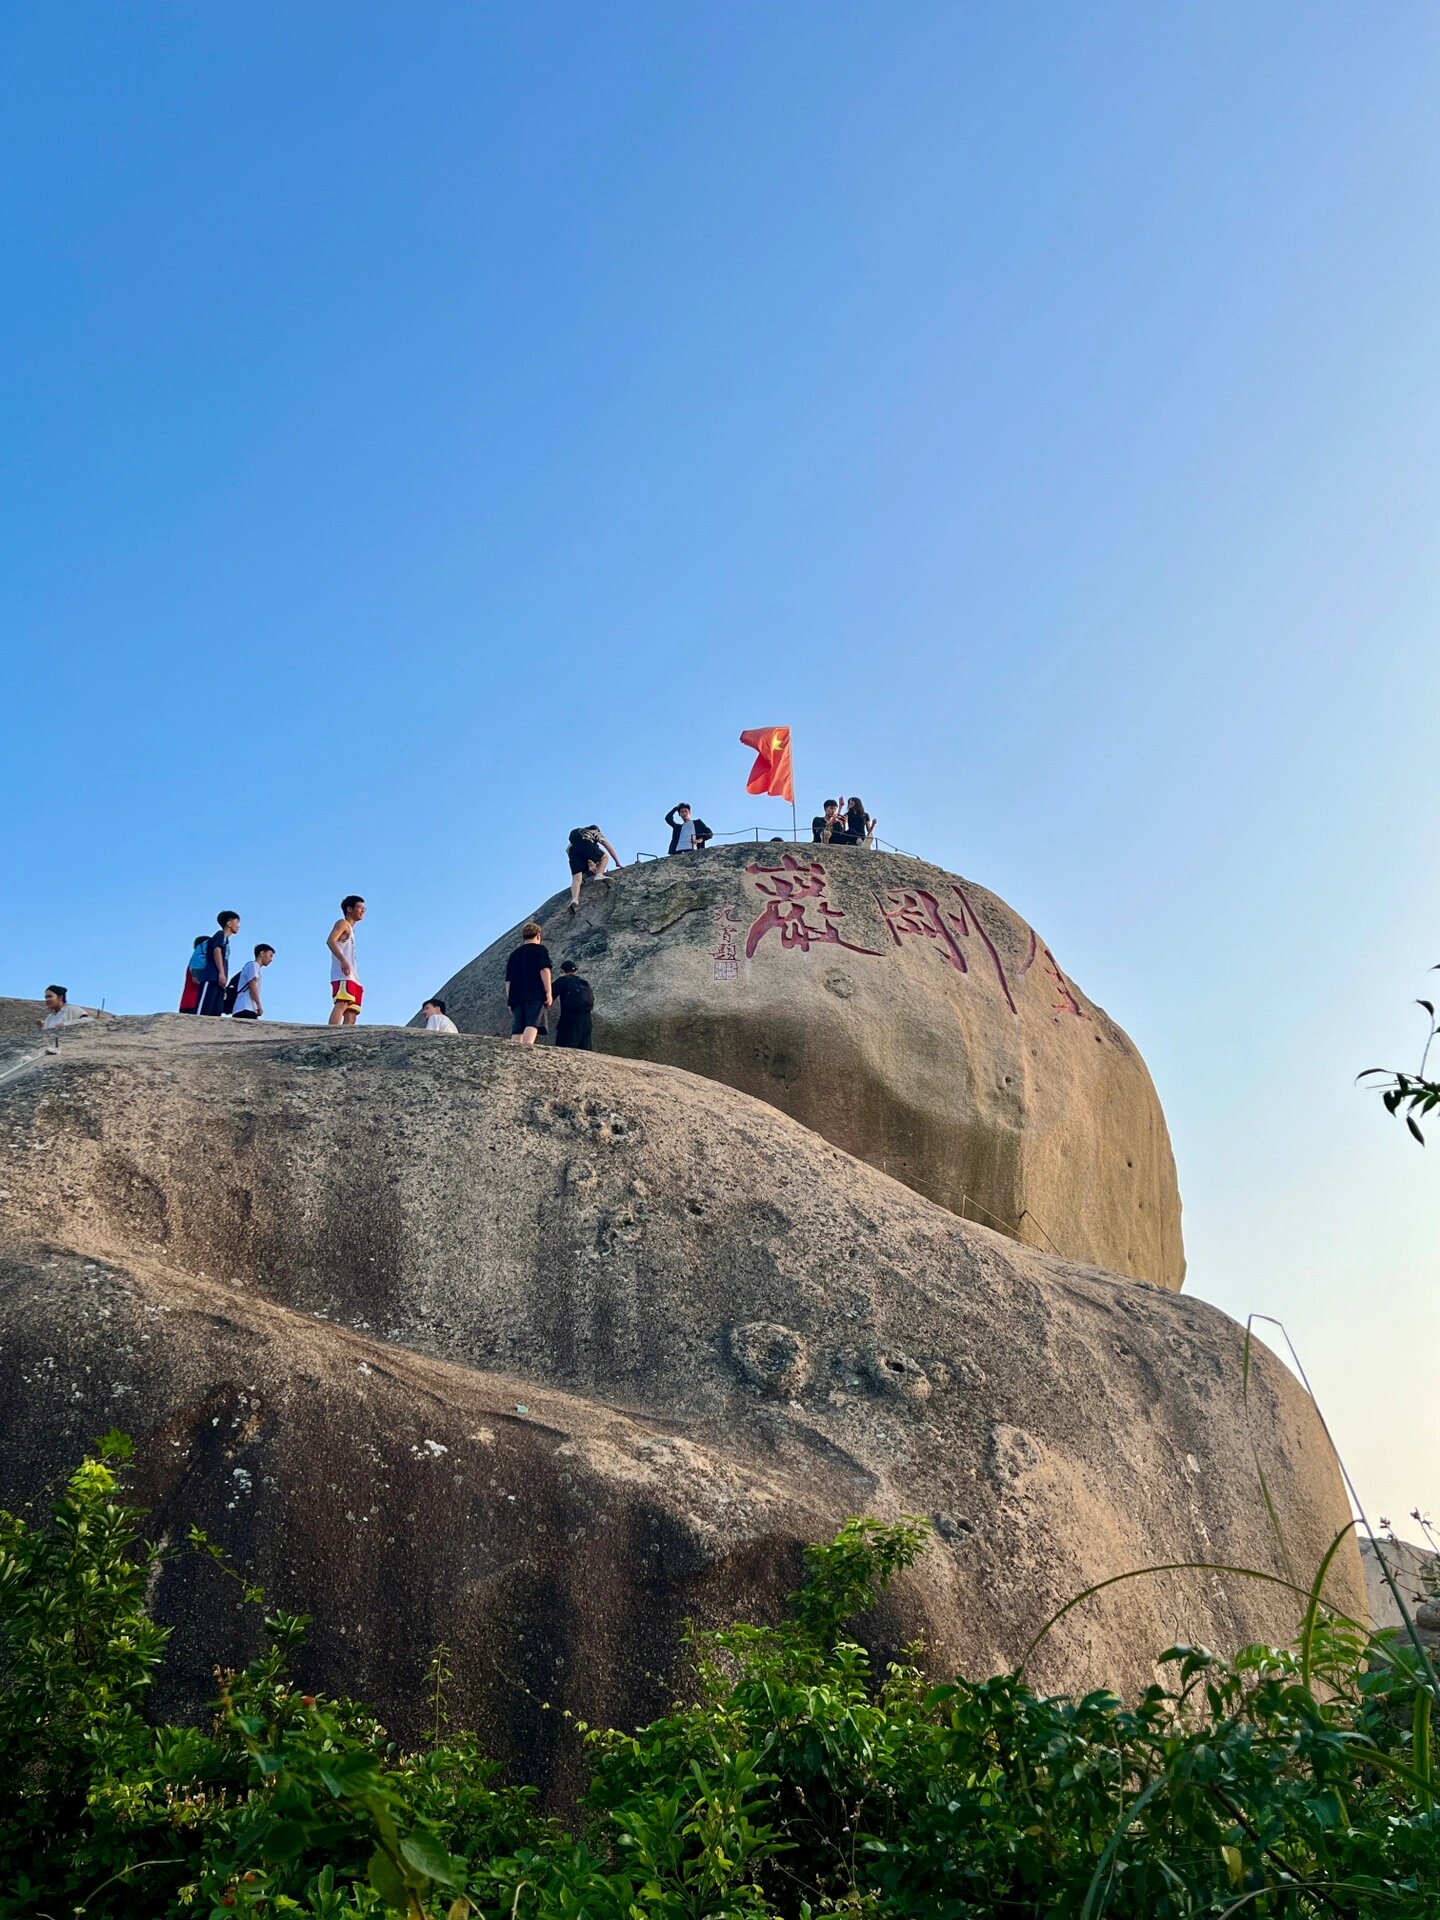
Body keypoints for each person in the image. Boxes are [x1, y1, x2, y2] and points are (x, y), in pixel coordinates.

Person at [505, 921, 552, 1046]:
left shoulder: (514, 954)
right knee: (533, 1021)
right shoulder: (540, 950)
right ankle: (526, 1048)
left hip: (516, 994)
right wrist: (548, 992)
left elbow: (508, 980)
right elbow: (544, 970)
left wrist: (510, 1000)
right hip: (535, 992)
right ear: (538, 935)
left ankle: (514, 1049)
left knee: (518, 1025)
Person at [327, 895, 366, 1026]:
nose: (362, 911)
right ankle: (330, 1035)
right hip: (343, 973)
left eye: (363, 908)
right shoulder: (342, 923)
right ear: (349, 909)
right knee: (342, 1003)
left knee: (352, 1014)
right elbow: (330, 941)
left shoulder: (351, 929)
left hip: (353, 975)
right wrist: (343, 960)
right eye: (359, 907)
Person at [566, 825, 621, 913]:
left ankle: (575, 899)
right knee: (604, 857)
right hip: (585, 844)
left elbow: (578, 853)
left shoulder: (577, 837)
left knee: (576, 879)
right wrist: (617, 862)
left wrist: (589, 865)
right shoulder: (595, 832)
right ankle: (599, 875)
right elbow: (609, 848)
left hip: (572, 851)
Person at [198, 912, 240, 1017]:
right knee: (204, 1009)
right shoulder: (220, 935)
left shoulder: (226, 941)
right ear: (229, 923)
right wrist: (221, 973)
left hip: (220, 982)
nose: (238, 926)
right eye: (236, 922)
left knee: (215, 1012)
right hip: (211, 977)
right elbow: (217, 951)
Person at [552, 960, 594, 1050]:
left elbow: (549, 996)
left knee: (564, 1051)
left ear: (561, 971)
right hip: (587, 1021)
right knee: (585, 1053)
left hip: (569, 1021)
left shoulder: (562, 980)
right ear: (575, 971)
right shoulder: (584, 983)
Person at [228, 944, 275, 1020]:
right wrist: (258, 1005)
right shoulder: (254, 965)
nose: (271, 959)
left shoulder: (251, 966)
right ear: (262, 953)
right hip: (246, 1007)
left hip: (241, 1007)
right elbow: (252, 985)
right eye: (270, 955)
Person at [179, 934, 209, 1014]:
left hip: (186, 1003)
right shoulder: (200, 964)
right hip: (195, 1003)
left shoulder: (193, 963)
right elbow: (197, 981)